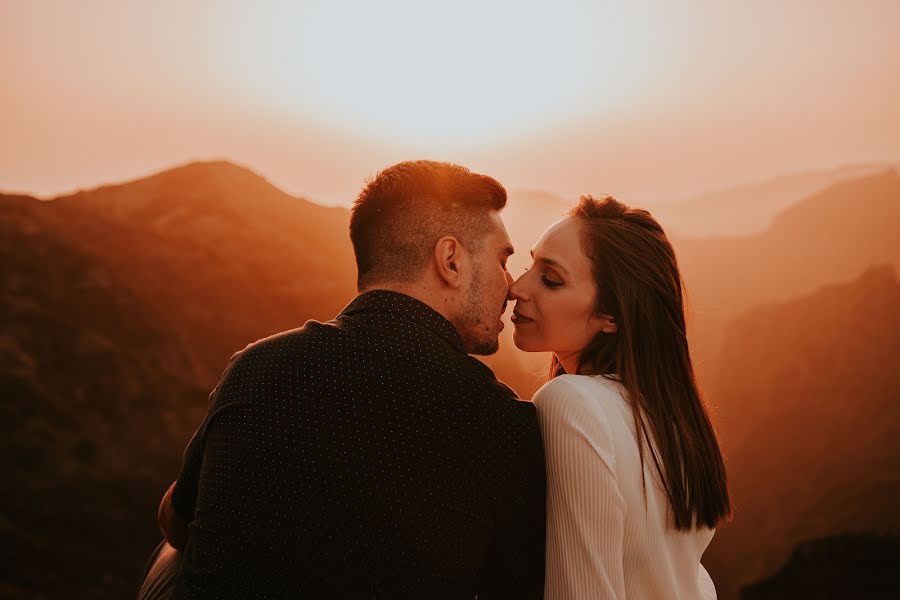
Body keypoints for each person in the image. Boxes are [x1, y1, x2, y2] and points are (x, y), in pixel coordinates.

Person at [139, 160, 546, 599]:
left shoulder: (255, 366)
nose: (510, 285)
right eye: (503, 260)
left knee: (172, 555)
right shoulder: (501, 422)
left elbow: (176, 523)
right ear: (450, 260)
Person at [508, 195, 731, 599]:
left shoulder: (570, 403)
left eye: (551, 279)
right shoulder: (677, 425)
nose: (517, 288)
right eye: (529, 266)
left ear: (610, 315)